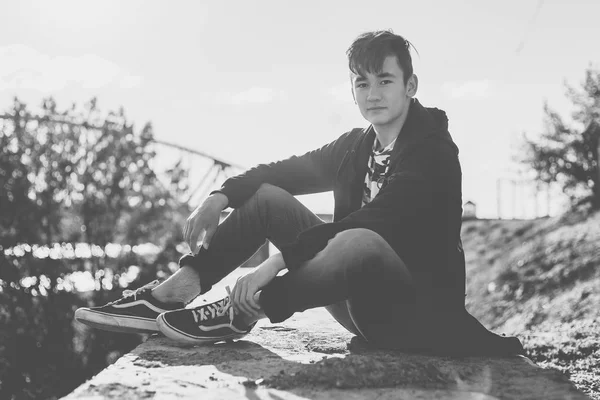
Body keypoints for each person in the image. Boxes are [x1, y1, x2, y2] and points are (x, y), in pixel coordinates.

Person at [75, 30, 524, 355]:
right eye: (361, 82)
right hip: (358, 306)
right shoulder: (355, 146)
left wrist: (275, 263)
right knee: (269, 196)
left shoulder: (433, 151)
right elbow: (282, 173)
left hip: (414, 317)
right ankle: (173, 292)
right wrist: (221, 197)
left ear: (410, 86)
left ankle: (242, 311)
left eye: (385, 80)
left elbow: (375, 221)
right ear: (351, 90)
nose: (373, 93)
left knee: (359, 239)